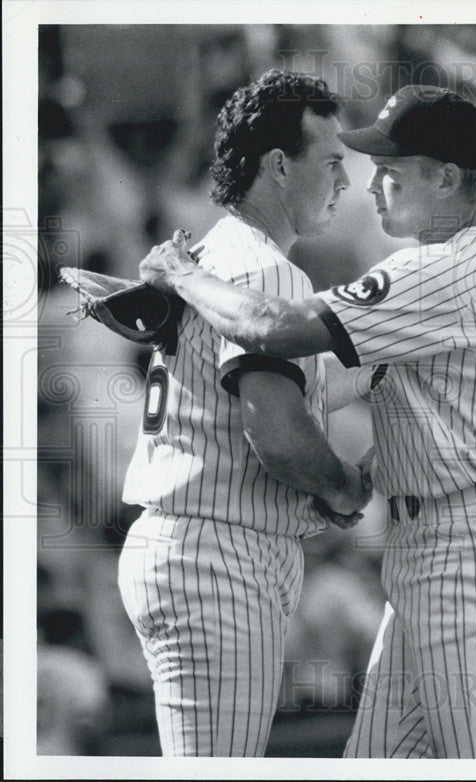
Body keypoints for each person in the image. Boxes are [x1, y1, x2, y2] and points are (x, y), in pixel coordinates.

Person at [138, 84, 476, 759]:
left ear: (448, 178)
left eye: (392, 173)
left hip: (468, 550)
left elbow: (268, 326)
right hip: (452, 536)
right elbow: (335, 386)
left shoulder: (437, 271)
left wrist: (184, 276)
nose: (371, 187)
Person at [116, 70, 371, 757]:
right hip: (217, 553)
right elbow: (281, 436)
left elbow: (282, 397)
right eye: (333, 164)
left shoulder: (213, 253)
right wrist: (345, 486)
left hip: (193, 542)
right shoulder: (266, 270)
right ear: (280, 166)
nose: (344, 183)